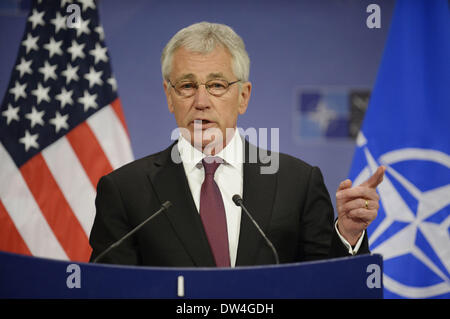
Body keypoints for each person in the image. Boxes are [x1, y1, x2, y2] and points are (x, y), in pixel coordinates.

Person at [89, 22, 385, 267]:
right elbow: (109, 289)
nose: (201, 102)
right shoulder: (125, 191)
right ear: (169, 96)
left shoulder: (298, 183)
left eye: (217, 85)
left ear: (243, 96)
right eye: (188, 86)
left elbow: (326, 288)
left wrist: (347, 235)